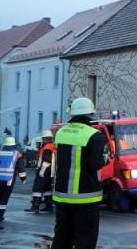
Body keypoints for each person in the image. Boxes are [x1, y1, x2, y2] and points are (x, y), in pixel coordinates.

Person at [52, 97, 109, 249]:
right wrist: (105, 159)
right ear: (90, 114)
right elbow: (95, 163)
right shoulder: (94, 135)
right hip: (86, 200)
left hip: (62, 198)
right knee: (85, 240)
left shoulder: (61, 132)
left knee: (61, 238)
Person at [0, 135, 27, 222]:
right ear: (13, 145)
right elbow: (20, 168)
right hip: (8, 180)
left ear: (5, 144)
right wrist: (23, 179)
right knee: (3, 198)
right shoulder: (17, 155)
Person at [26, 129, 56, 213]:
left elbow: (47, 160)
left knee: (37, 188)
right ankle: (48, 206)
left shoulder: (47, 147)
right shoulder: (52, 146)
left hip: (44, 170)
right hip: (50, 172)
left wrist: (42, 171)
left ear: (45, 138)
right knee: (47, 189)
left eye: (43, 138)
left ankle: (35, 206)